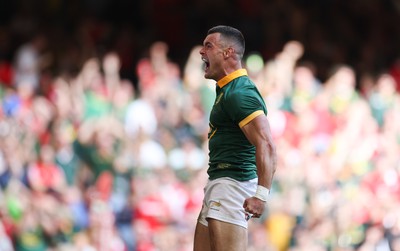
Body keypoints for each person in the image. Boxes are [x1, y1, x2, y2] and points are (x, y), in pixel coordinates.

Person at [193, 25, 277, 251]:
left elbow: (266, 144)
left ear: (228, 52)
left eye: (208, 46)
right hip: (219, 181)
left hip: (232, 185)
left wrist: (261, 195)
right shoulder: (227, 90)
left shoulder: (240, 92)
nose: (202, 52)